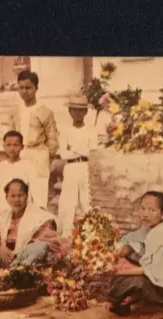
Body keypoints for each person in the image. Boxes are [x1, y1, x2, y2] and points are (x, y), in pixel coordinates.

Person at [108, 191, 163, 316]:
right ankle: (127, 302)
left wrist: (119, 271)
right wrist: (106, 257)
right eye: (143, 209)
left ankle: (161, 307)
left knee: (130, 281)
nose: (145, 214)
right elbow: (128, 244)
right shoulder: (149, 229)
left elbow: (152, 270)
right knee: (124, 265)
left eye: (151, 210)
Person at [0, 179, 66, 279]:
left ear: (27, 196)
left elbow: (47, 244)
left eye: (20, 195)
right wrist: (1, 248)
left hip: (24, 259)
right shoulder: (3, 216)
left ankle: (15, 276)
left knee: (40, 247)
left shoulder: (40, 216)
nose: (17, 199)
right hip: (4, 258)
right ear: (7, 198)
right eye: (13, 196)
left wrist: (18, 252)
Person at [8, 71, 59, 209]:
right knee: (19, 194)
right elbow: (10, 134)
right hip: (19, 154)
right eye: (21, 87)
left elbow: (52, 138)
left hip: (38, 155)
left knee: (38, 195)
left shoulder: (45, 112)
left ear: (36, 88)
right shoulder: (15, 111)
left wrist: (48, 157)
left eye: (28, 88)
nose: (24, 91)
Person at [57, 93, 97, 237]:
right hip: (70, 167)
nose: (77, 113)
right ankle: (66, 232)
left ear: (86, 112)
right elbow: (63, 154)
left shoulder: (91, 130)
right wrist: (79, 151)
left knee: (85, 199)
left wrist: (73, 149)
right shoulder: (65, 130)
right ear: (69, 111)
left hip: (85, 167)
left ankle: (90, 232)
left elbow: (91, 151)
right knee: (69, 199)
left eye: (81, 110)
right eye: (74, 110)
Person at [0, 131, 36, 213]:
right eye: (8, 145)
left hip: (23, 208)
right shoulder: (1, 166)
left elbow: (34, 189)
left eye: (15, 145)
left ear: (22, 147)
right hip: (4, 208)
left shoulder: (28, 165)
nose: (12, 148)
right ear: (4, 146)